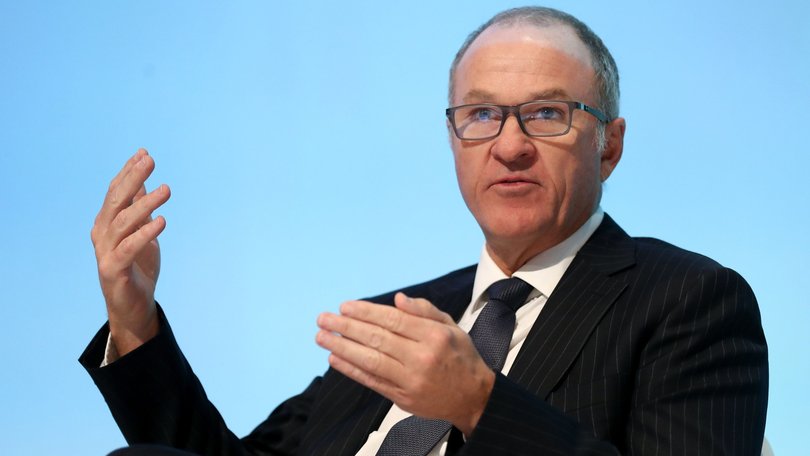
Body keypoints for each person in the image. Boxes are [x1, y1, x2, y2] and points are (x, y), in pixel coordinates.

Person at [80, 6, 768, 455]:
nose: (510, 145)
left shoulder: (688, 300)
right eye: (481, 116)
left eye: (548, 114)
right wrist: (134, 323)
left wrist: (477, 401)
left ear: (609, 146)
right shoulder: (401, 318)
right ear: (453, 140)